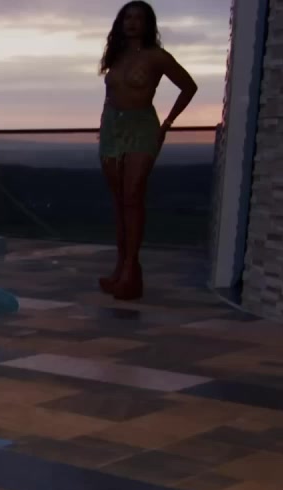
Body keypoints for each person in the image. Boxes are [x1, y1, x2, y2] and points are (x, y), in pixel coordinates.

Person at [97, 1, 196, 301]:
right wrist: (104, 126)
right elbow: (110, 95)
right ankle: (122, 268)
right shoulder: (116, 56)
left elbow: (188, 87)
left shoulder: (157, 57)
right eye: (127, 17)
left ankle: (130, 269)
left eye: (138, 18)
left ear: (148, 24)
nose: (131, 22)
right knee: (119, 201)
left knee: (132, 196)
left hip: (142, 127)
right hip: (112, 128)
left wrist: (167, 123)